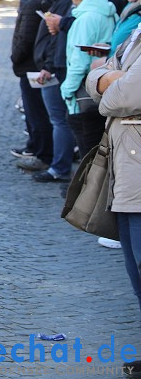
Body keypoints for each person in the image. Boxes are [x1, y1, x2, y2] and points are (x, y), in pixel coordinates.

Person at [86, 23, 141, 377]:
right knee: (134, 269)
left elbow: (122, 98)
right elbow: (95, 79)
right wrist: (108, 77)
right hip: (126, 167)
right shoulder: (136, 30)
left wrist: (107, 80)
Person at [59, 0, 116, 161]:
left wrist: (67, 89)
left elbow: (78, 61)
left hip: (83, 96)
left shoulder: (86, 19)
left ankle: (83, 191)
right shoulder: (107, 11)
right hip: (100, 89)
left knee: (88, 157)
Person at [30, 0, 79, 182]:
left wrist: (48, 66)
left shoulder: (66, 1)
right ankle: (58, 164)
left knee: (59, 119)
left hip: (57, 67)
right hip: (55, 64)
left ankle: (59, 167)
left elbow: (58, 40)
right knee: (58, 119)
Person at [10, 0, 54, 172]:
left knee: (36, 112)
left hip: (31, 67)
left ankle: (41, 153)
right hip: (35, 64)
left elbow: (24, 38)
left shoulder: (34, 3)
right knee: (37, 111)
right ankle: (38, 148)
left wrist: (15, 58)